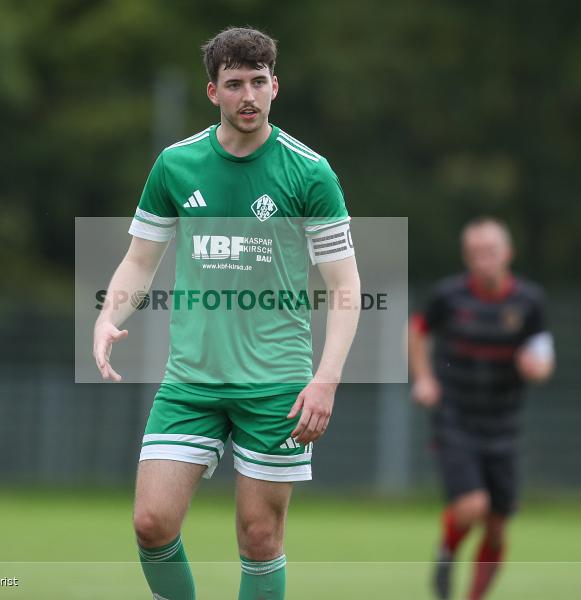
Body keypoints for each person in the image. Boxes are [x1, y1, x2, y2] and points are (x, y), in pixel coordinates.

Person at [93, 27, 360, 600]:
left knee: (259, 537)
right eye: (234, 83)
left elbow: (345, 285)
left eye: (258, 83)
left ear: (275, 86)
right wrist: (106, 314)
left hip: (276, 384)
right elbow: (140, 260)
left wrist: (326, 379)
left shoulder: (309, 173)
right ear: (212, 92)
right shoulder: (176, 165)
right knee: (151, 523)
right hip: (191, 378)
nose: (248, 96)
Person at [409, 217, 555, 600]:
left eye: (490, 251)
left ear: (508, 253)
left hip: (504, 423)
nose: (482, 260)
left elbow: (543, 353)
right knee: (473, 505)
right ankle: (447, 552)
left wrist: (537, 368)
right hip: (455, 416)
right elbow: (418, 329)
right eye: (474, 253)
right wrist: (424, 378)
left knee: (496, 528)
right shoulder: (448, 296)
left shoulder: (529, 301)